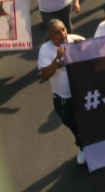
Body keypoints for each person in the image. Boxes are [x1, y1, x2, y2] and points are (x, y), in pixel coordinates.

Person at [36, 19, 87, 165]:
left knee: (90, 121)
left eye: (63, 29)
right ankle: (83, 147)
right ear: (50, 36)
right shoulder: (45, 50)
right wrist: (57, 60)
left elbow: (95, 57)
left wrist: (83, 49)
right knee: (73, 124)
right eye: (57, 32)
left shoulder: (77, 40)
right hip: (64, 98)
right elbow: (45, 75)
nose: (62, 34)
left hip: (83, 93)